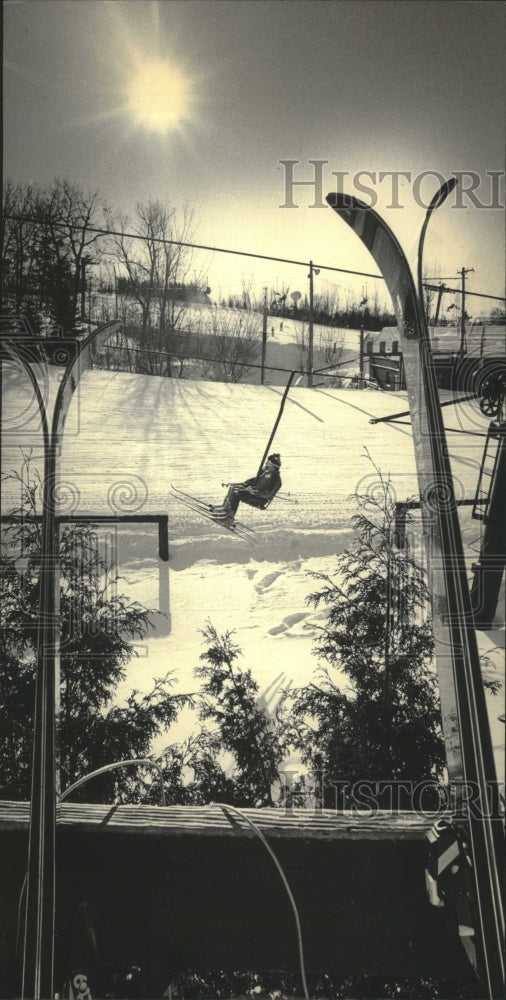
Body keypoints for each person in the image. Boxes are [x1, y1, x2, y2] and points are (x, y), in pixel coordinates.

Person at [213, 454, 282, 526]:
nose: (266, 464)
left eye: (268, 463)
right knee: (233, 487)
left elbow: (266, 494)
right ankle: (225, 509)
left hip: (260, 499)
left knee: (237, 493)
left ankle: (229, 519)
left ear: (273, 466)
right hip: (253, 494)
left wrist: (254, 492)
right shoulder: (266, 473)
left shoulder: (275, 479)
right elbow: (254, 481)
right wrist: (245, 484)